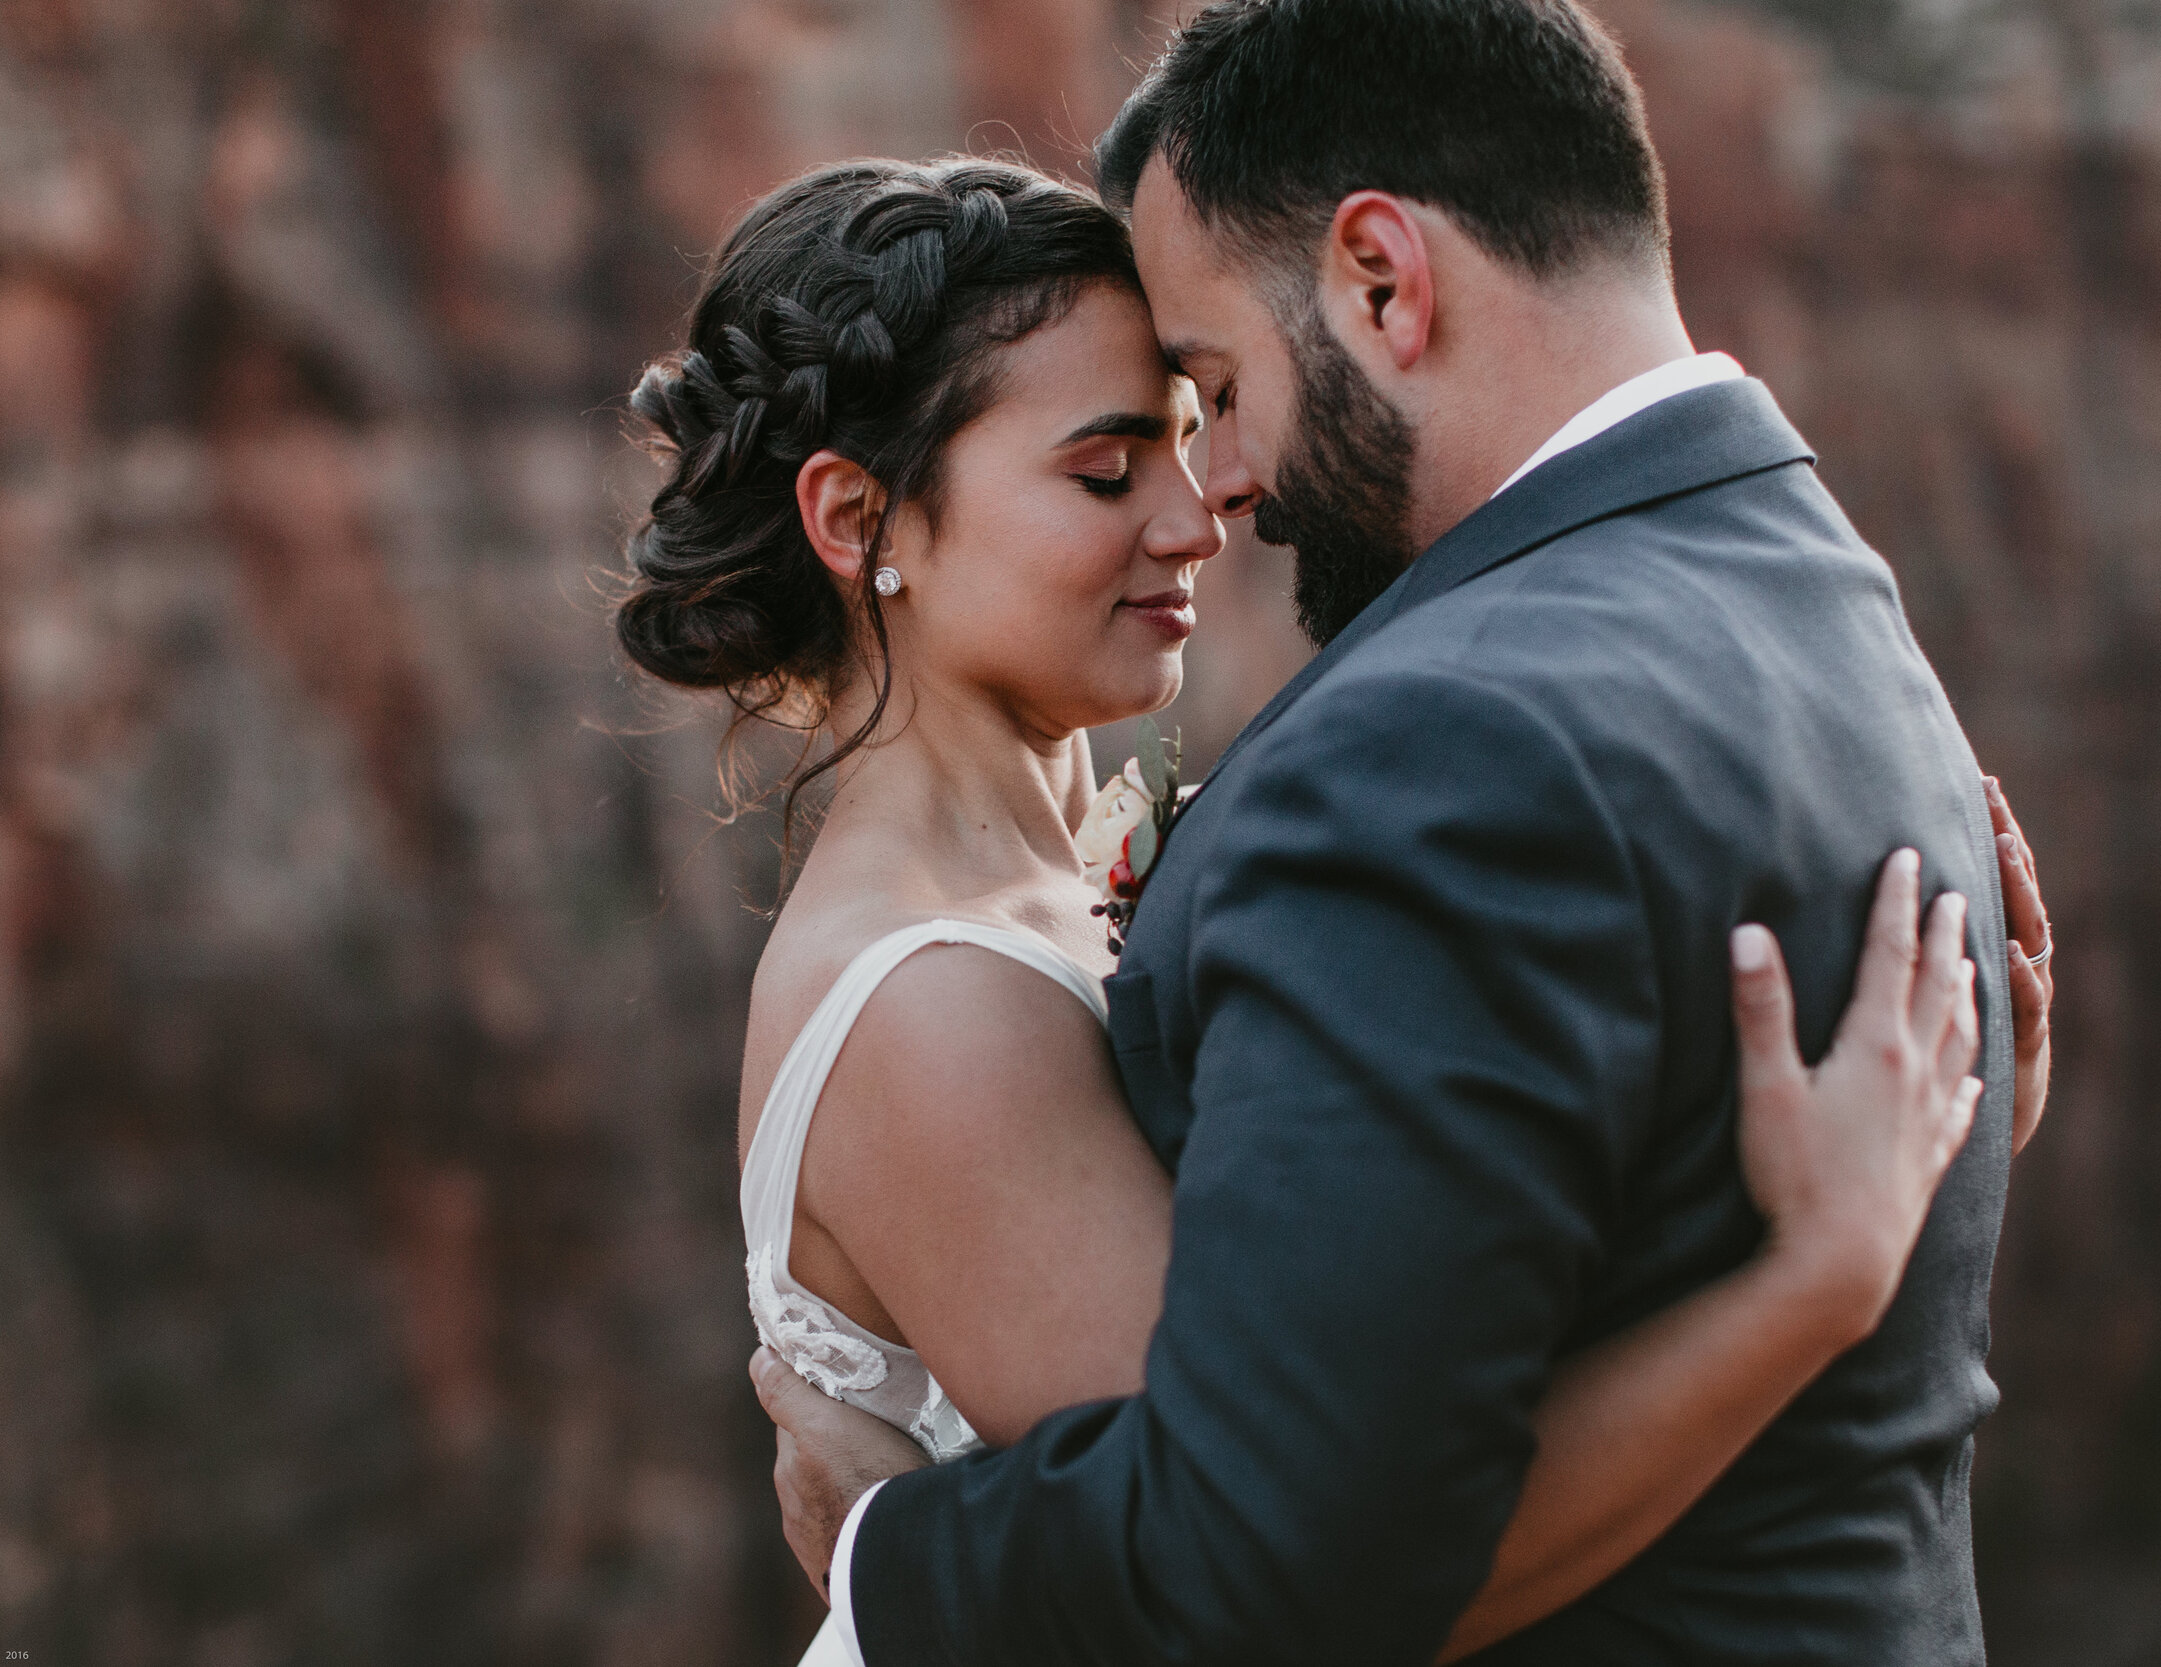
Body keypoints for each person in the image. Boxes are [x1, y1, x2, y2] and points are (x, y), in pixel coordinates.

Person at [623, 5, 2056, 1661]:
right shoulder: (930, 1007)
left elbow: (1333, 1474)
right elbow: (1299, 1559)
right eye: (1109, 470)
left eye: (1199, 409)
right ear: (860, 522)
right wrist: (1809, 1276)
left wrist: (889, 1550)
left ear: (1387, 279)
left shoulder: (1382, 767)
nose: (1204, 504)